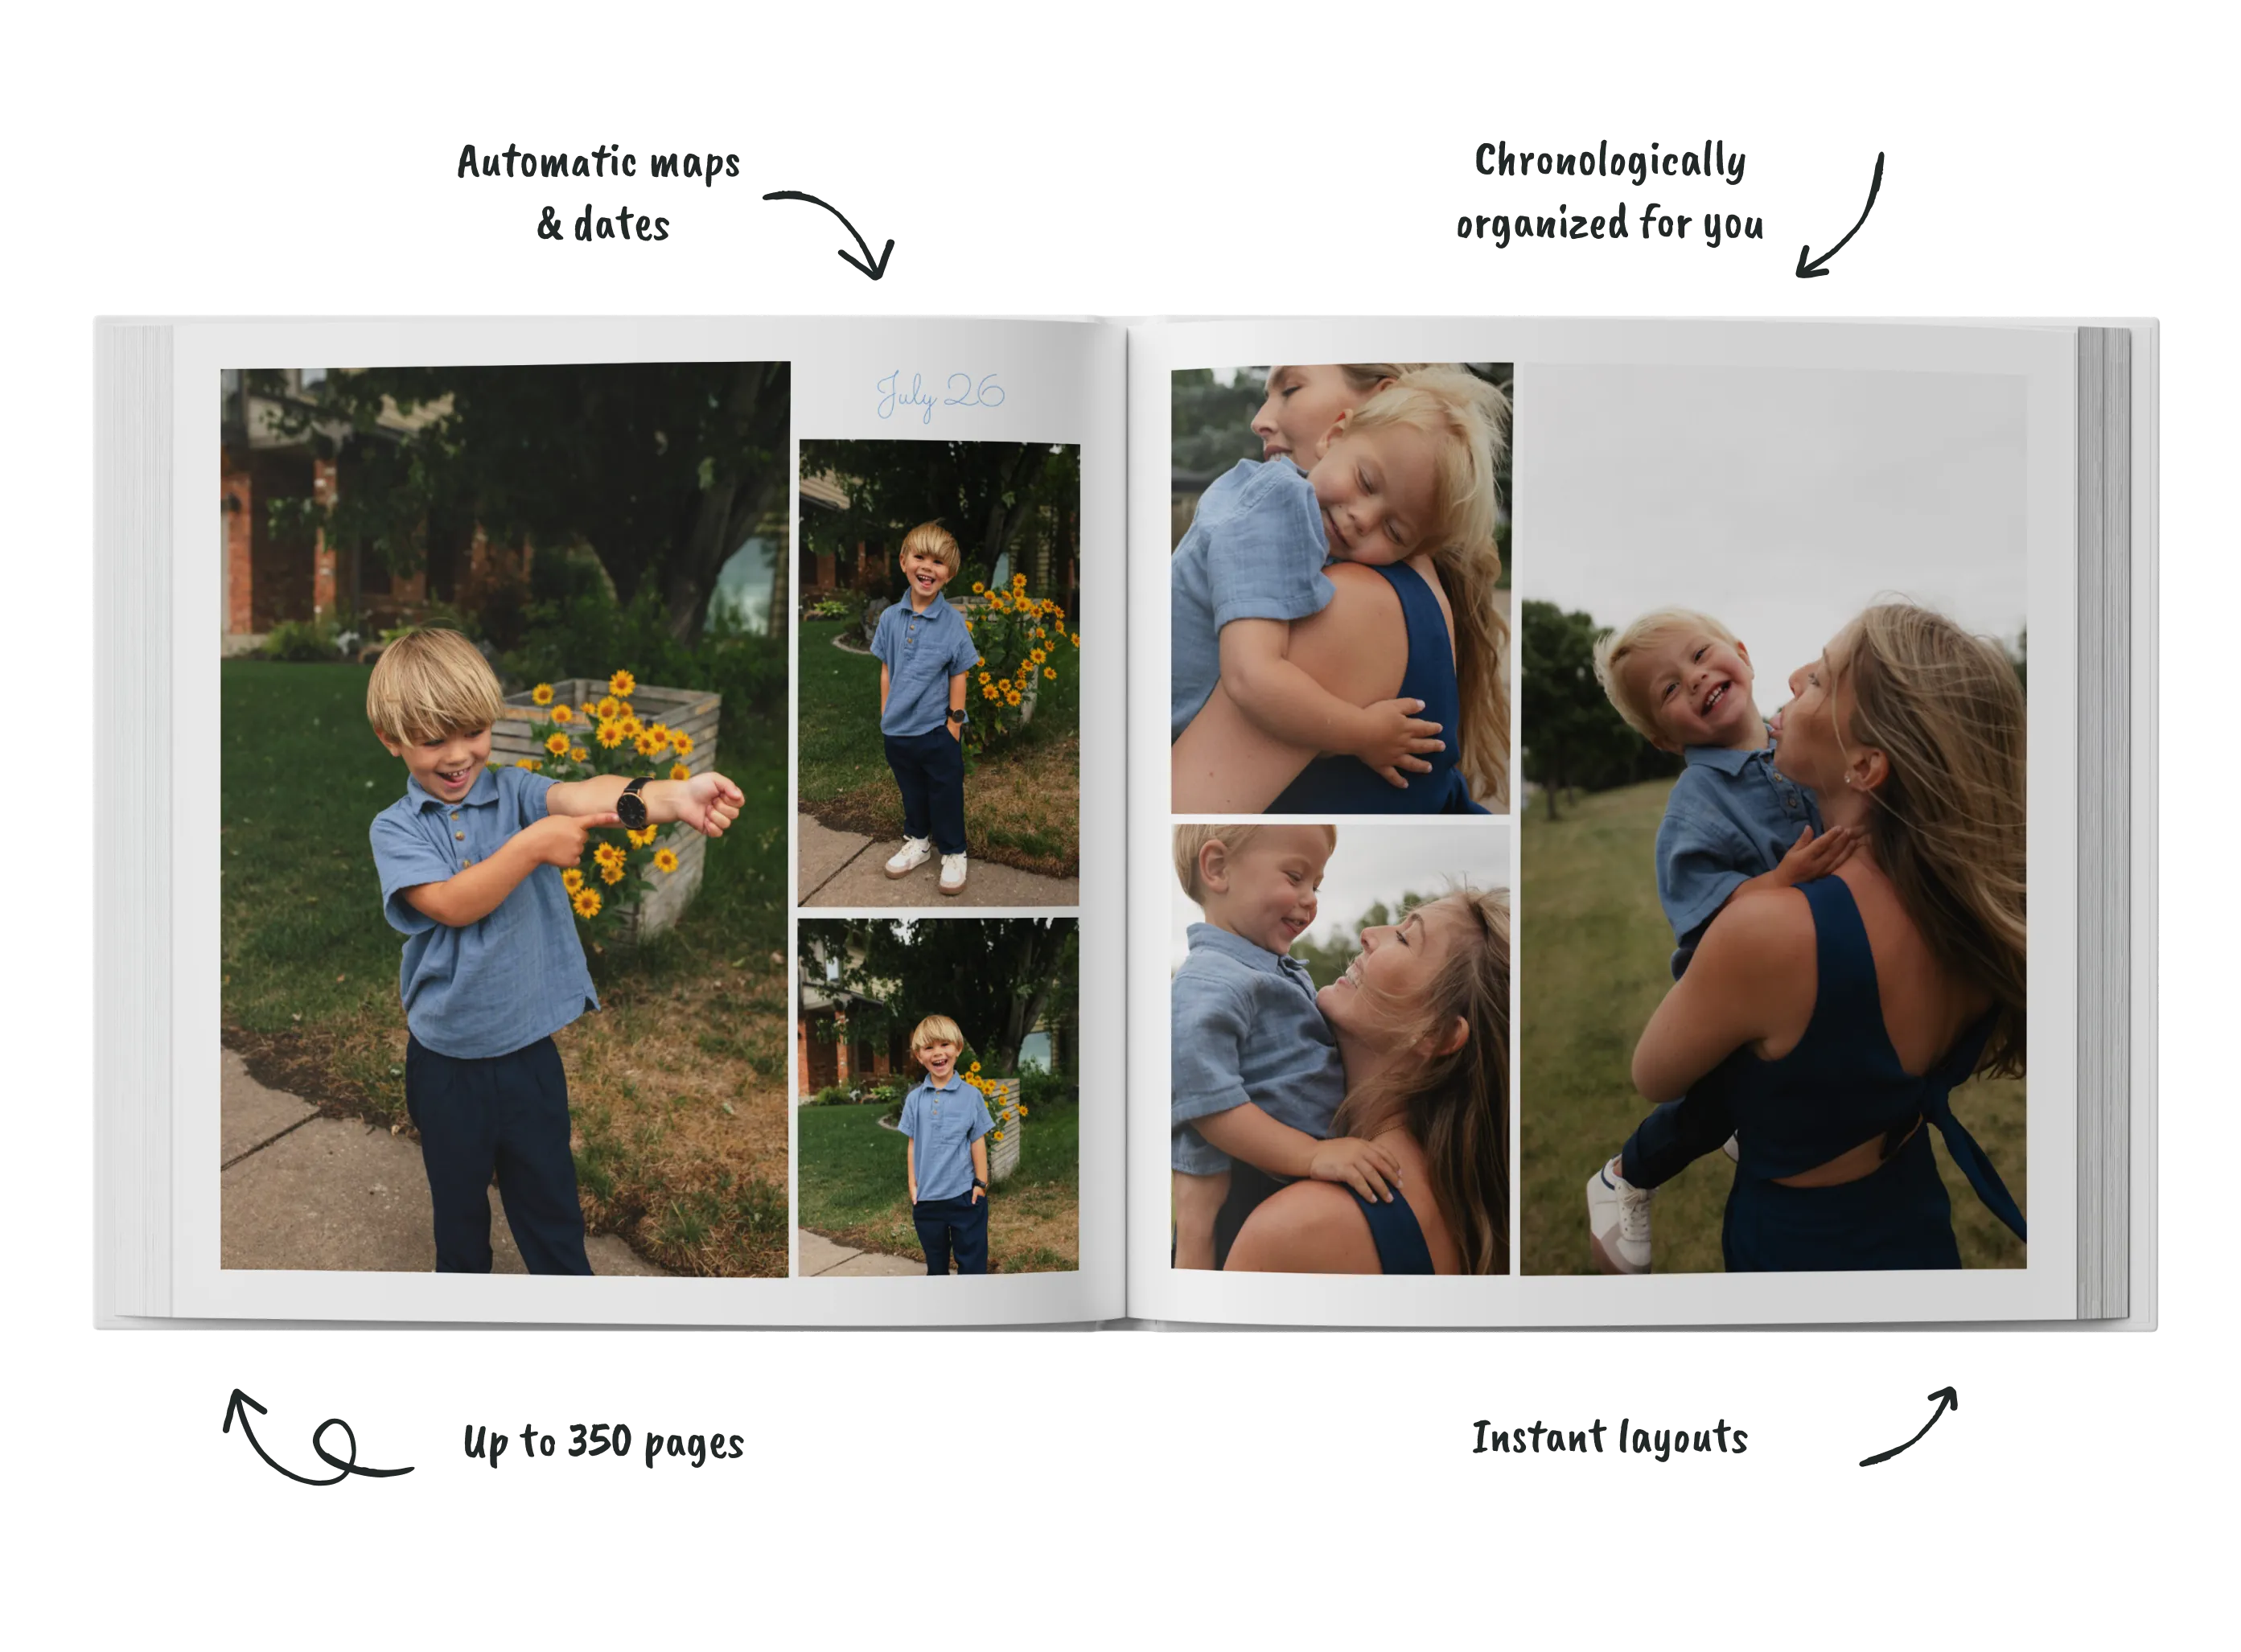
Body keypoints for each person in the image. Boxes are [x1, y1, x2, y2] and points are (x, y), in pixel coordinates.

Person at [1625, 603, 2028, 1271]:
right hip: (1917, 1215)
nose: (1793, 675)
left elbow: (1654, 1073)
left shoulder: (1769, 933)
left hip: (1799, 1245)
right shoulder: (1968, 900)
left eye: (1819, 680)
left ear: (1866, 767)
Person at [366, 628, 743, 1273]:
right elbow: (454, 903)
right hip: (446, 1064)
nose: (459, 756)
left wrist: (669, 798)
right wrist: (532, 847)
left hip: (528, 1059)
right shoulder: (395, 829)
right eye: (434, 740)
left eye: (474, 732)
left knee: (551, 1212)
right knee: (458, 1221)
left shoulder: (515, 791)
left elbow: (588, 792)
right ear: (392, 741)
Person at [1581, 606, 1857, 1273]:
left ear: (1741, 650)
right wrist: (1778, 883)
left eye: (1702, 655)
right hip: (1736, 985)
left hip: (1816, 955)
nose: (1696, 678)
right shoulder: (1695, 805)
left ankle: (1756, 1127)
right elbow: (1705, 910)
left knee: (1825, 1070)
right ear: (1661, 738)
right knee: (1721, 1099)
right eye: (1669, 689)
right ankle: (1626, 1173)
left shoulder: (1801, 735)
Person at [1170, 365, 1511, 813]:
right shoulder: (1274, 510)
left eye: (1393, 530)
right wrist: (1363, 733)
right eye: (1367, 482)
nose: (1362, 519)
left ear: (1414, 548)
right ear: (1336, 435)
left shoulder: (1357, 592)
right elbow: (1251, 676)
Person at [1219, 887, 1511, 1276]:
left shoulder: (1294, 1230)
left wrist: (1193, 1225)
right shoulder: (1463, 1203)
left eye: (1406, 937)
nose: (1369, 932)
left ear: (1436, 1033)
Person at [1170, 824, 1403, 1269]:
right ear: (1218, 869)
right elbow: (1207, 1103)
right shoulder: (1210, 980)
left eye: (1315, 884)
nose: (1311, 898)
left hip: (1298, 1172)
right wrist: (1312, 1155)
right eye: (1295, 878)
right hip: (1253, 1182)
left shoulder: (1269, 968)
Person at [871, 522, 980, 897]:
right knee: (912, 791)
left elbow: (959, 674)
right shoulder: (889, 619)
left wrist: (955, 724)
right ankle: (917, 841)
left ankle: (953, 851)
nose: (928, 567)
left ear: (949, 573)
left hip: (936, 730)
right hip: (898, 731)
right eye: (920, 557)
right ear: (904, 562)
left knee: (945, 791)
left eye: (938, 562)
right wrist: (886, 714)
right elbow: (887, 669)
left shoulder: (952, 623)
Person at [898, 1015, 994, 1275]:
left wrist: (981, 1184)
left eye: (944, 1045)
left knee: (973, 1267)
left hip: (965, 1197)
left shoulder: (972, 1096)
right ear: (919, 1056)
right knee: (936, 1268)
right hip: (928, 1201)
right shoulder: (914, 1100)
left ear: (958, 1048)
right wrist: (912, 1185)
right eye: (929, 1048)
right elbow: (912, 1143)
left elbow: (977, 1140)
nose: (938, 1053)